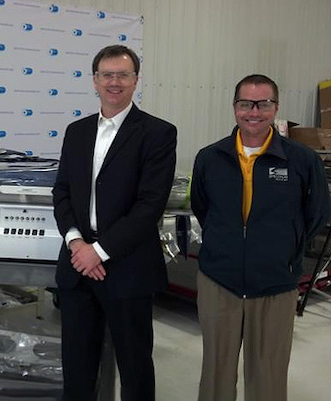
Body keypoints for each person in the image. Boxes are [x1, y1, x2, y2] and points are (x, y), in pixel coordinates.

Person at [191, 74, 330, 401]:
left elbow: (316, 214)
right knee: (216, 373)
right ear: (235, 108)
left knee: (268, 374)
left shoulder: (302, 161)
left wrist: (282, 251)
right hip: (218, 281)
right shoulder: (210, 158)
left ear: (275, 108)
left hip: (275, 284)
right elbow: (202, 208)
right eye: (245, 104)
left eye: (263, 104)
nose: (254, 111)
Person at [52, 45, 177, 401]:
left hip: (127, 266)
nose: (115, 82)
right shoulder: (76, 132)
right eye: (107, 75)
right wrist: (78, 244)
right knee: (77, 367)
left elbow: (148, 206)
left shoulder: (158, 133)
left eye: (123, 75)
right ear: (95, 80)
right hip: (77, 267)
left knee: (135, 367)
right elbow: (61, 192)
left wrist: (100, 252)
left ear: (136, 80)